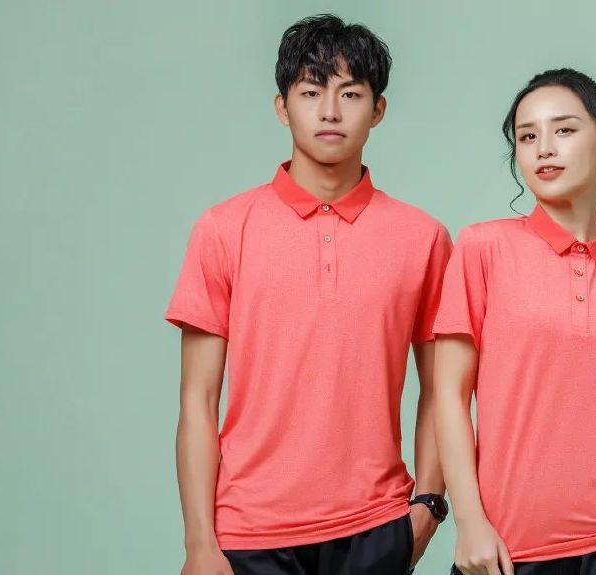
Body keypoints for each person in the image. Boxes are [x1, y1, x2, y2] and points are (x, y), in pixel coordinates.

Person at [165, 14, 451, 575]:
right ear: (282, 106)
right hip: (249, 531)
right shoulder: (223, 229)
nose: (330, 111)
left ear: (378, 109)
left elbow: (442, 390)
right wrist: (199, 541)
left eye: (351, 94)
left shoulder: (423, 238)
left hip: (376, 526)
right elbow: (198, 400)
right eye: (311, 92)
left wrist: (429, 507)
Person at [433, 68, 596, 575]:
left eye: (565, 130)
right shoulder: (483, 249)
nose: (544, 148)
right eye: (528, 137)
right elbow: (449, 398)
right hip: (508, 552)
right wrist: (469, 521)